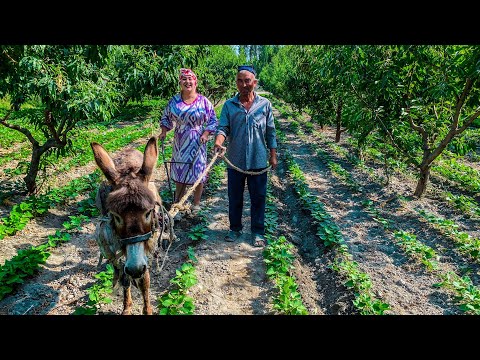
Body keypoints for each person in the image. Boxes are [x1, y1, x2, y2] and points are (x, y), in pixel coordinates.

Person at [213, 65, 278, 248]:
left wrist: (273, 155)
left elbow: (271, 132)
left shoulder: (264, 105)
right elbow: (223, 128)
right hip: (235, 161)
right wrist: (219, 142)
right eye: (240, 81)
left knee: (258, 198)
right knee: (235, 197)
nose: (243, 85)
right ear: (236, 83)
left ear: (254, 83)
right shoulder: (229, 105)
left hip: (258, 160)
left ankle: (257, 232)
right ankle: (235, 229)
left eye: (247, 81)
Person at [159, 68, 218, 214]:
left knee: (198, 172)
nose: (187, 82)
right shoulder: (174, 101)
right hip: (180, 141)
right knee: (180, 172)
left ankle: (196, 203)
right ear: (180, 82)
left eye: (190, 79)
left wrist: (205, 133)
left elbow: (213, 120)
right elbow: (166, 117)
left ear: (195, 82)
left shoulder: (204, 101)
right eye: (184, 79)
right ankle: (178, 202)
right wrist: (164, 131)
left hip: (198, 140)